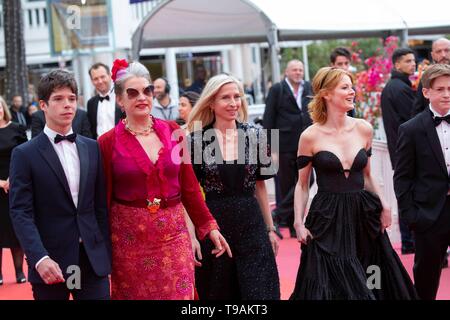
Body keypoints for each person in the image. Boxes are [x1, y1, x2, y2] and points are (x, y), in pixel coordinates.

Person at [97, 59, 231, 300]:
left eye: (147, 91)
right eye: (133, 92)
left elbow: (190, 188)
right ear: (120, 99)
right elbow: (102, 198)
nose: (142, 97)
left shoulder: (172, 130)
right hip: (128, 241)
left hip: (173, 235)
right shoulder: (107, 143)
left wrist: (209, 227)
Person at [290, 67, 417, 300]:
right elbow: (302, 185)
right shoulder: (310, 136)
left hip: (364, 215)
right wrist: (298, 221)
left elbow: (368, 175)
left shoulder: (363, 128)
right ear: (326, 94)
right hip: (328, 218)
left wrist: (385, 205)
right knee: (333, 280)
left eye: (352, 86)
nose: (352, 92)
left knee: (372, 272)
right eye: (345, 87)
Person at [8, 70, 111, 300]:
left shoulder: (92, 148)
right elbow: (20, 212)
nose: (67, 105)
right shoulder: (24, 154)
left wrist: (104, 252)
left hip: (91, 261)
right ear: (43, 105)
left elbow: (100, 206)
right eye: (58, 99)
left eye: (72, 99)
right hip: (50, 262)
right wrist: (39, 258)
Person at [187, 74, 280, 300]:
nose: (233, 103)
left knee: (259, 291)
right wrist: (191, 237)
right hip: (215, 227)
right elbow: (189, 195)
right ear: (211, 102)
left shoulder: (257, 135)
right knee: (218, 291)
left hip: (252, 224)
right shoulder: (196, 140)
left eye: (237, 97)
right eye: (225, 98)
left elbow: (260, 185)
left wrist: (270, 228)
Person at [394, 64, 450, 300]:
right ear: (426, 92)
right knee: (427, 279)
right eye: (440, 89)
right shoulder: (411, 129)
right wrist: (412, 217)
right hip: (429, 216)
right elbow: (402, 177)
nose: (447, 94)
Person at [263, 59, 313, 238]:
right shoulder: (277, 89)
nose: (298, 72)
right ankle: (291, 225)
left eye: (300, 69)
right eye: (294, 70)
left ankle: (279, 214)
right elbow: (268, 117)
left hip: (306, 143)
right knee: (285, 184)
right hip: (283, 143)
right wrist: (269, 146)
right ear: (287, 72)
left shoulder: (309, 88)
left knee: (307, 180)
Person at [380, 47, 416, 254]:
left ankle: (409, 241)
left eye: (414, 61)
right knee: (409, 196)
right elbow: (412, 120)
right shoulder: (399, 88)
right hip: (405, 152)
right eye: (408, 61)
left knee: (405, 194)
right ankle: (410, 241)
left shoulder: (394, 86)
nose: (413, 64)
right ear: (397, 64)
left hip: (398, 151)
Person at [0, 96, 28, 285]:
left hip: (15, 186)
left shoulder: (16, 128)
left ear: (3, 107)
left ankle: (19, 272)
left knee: (15, 230)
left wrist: (13, 178)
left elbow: (25, 155)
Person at [412, 38, 450, 116]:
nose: (443, 55)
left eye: (447, 50)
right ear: (432, 55)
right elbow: (418, 109)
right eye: (439, 51)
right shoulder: (426, 77)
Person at [87, 63, 123, 139]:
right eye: (95, 79)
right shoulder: (91, 103)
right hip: (98, 147)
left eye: (102, 77)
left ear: (110, 76)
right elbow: (91, 129)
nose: (100, 81)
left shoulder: (122, 98)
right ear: (92, 81)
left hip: (120, 146)